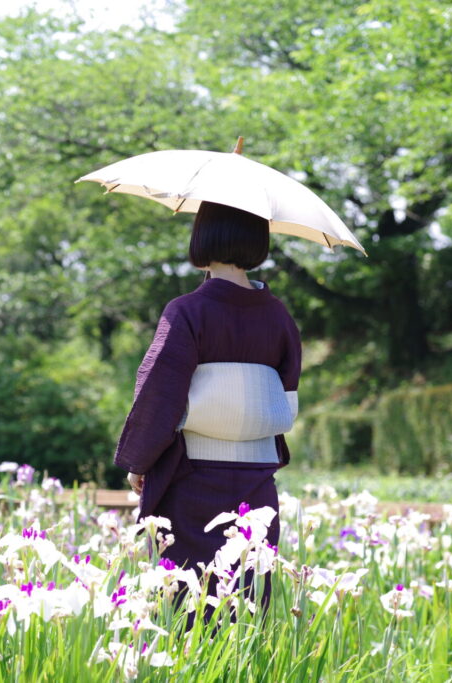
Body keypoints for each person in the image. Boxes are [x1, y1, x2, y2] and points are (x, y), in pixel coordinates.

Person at [112, 200, 302, 620]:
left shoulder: (187, 311)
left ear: (203, 237)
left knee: (189, 607)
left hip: (191, 478)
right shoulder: (278, 316)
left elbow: (160, 393)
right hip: (256, 482)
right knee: (246, 604)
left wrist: (139, 461)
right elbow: (284, 396)